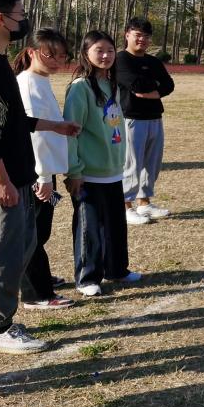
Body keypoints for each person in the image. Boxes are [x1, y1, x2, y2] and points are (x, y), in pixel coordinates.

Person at [0, 0, 81, 353]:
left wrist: (52, 126)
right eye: (20, 13)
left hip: (18, 176)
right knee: (2, 253)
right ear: (1, 18)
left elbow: (10, 119)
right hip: (2, 180)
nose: (24, 20)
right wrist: (1, 180)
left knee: (23, 244)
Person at [64, 31, 144, 298]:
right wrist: (74, 171)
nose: (106, 56)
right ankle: (87, 277)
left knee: (115, 226)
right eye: (99, 50)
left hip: (113, 170)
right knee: (90, 228)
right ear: (85, 53)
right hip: (89, 172)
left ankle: (117, 269)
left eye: (110, 50)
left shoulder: (113, 85)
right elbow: (71, 132)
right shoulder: (80, 88)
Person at [14, 29, 76, 310]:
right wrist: (42, 177)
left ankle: (37, 277)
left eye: (61, 56)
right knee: (33, 234)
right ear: (31, 52)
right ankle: (36, 293)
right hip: (36, 173)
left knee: (41, 230)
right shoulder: (27, 83)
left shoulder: (39, 80)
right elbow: (33, 135)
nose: (56, 61)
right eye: (50, 55)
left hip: (45, 171)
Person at [114, 17, 175, 225]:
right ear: (127, 35)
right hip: (131, 118)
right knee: (131, 163)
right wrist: (155, 85)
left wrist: (153, 90)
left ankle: (144, 202)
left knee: (151, 164)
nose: (142, 40)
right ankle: (125, 206)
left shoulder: (153, 61)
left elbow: (169, 85)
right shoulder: (121, 60)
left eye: (146, 36)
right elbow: (136, 85)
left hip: (154, 117)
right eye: (138, 35)